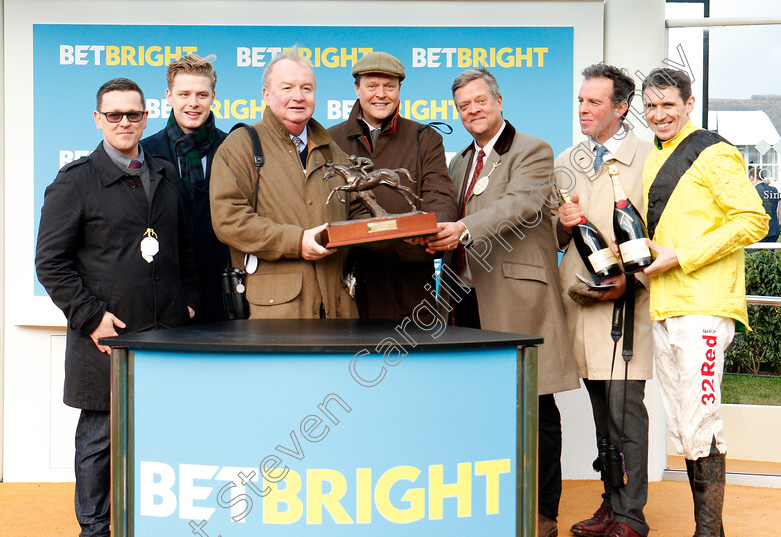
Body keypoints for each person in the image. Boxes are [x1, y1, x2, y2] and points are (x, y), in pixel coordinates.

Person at [35, 78, 200, 537]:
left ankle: (149, 522)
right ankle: (94, 529)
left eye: (133, 114)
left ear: (147, 117)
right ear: (98, 119)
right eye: (114, 115)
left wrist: (188, 304)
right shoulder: (75, 182)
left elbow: (183, 251)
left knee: (160, 434)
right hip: (106, 337)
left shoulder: (166, 175)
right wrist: (91, 318)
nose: (125, 122)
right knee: (100, 441)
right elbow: (50, 262)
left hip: (165, 335)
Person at [425, 68, 579, 537]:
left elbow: (522, 205)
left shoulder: (532, 150)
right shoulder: (457, 162)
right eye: (463, 105)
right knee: (481, 405)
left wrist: (465, 230)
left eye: (479, 101)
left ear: (498, 101)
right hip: (464, 299)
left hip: (517, 297)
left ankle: (543, 511)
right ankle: (492, 502)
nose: (472, 110)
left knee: (537, 405)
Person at [640, 67, 768, 537]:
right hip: (664, 305)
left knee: (702, 422)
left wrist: (684, 256)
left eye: (669, 105)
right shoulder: (655, 156)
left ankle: (711, 532)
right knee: (684, 427)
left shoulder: (713, 152)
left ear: (689, 104)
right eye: (651, 106)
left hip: (705, 307)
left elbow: (754, 220)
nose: (659, 115)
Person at [555, 64, 653, 537]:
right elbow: (557, 237)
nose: (583, 110)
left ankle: (631, 515)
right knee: (602, 416)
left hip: (626, 310)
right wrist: (563, 221)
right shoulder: (566, 160)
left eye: (594, 102)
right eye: (580, 101)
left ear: (621, 108)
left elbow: (661, 238)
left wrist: (632, 282)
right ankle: (610, 505)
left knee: (625, 414)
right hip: (582, 303)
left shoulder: (649, 161)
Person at [209, 49, 368, 319]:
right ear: (267, 95)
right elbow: (229, 220)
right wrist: (296, 241)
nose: (298, 96)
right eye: (287, 88)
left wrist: (403, 233)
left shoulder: (334, 153)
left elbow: (359, 213)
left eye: (307, 88)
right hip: (275, 317)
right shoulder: (240, 147)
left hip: (337, 312)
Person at [327, 51, 457, 321]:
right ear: (357, 88)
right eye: (372, 86)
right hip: (349, 277)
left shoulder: (425, 138)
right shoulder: (330, 139)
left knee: (412, 361)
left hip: (408, 283)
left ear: (399, 89)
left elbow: (440, 196)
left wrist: (430, 230)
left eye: (389, 86)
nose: (381, 94)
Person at [141, 54, 230, 321]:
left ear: (213, 96)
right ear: (169, 96)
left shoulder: (234, 148)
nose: (193, 103)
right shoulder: (146, 152)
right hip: (163, 296)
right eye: (184, 94)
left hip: (225, 295)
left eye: (202, 95)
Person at [748, 167, 780, 242]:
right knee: (770, 253)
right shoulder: (773, 190)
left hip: (759, 227)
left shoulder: (753, 190)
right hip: (773, 227)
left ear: (752, 178)